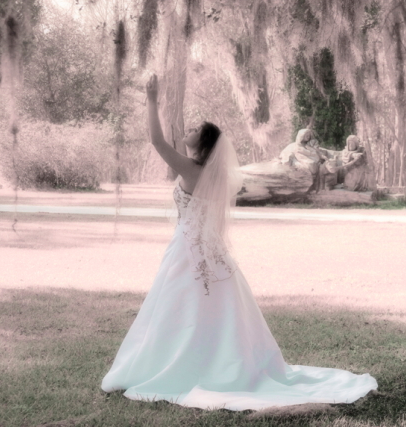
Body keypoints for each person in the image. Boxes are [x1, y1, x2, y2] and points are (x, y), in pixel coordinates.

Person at [101, 75, 377, 411]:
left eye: (195, 129)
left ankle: (184, 366)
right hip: (210, 251)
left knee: (181, 309)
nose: (189, 129)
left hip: (188, 251)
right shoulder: (213, 175)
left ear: (203, 145)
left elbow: (157, 142)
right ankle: (214, 363)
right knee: (212, 312)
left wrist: (151, 98)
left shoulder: (192, 170)